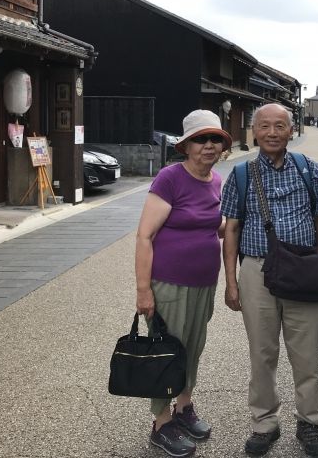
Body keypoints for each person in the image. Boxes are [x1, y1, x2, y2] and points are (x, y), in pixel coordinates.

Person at [221, 103, 318, 457]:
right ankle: (264, 423)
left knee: (307, 354)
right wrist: (232, 282)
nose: (272, 132)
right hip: (256, 270)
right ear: (254, 131)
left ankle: (310, 422)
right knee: (262, 353)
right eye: (265, 126)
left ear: (291, 129)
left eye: (280, 126)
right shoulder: (240, 174)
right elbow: (232, 230)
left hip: (302, 270)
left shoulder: (308, 169)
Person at [134, 109, 231, 458]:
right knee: (166, 353)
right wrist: (143, 289)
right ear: (186, 145)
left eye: (215, 139)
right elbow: (145, 235)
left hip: (203, 283)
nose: (209, 146)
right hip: (169, 283)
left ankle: (183, 407)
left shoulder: (217, 181)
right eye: (201, 139)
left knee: (192, 348)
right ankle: (161, 424)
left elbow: (216, 227)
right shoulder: (169, 178)